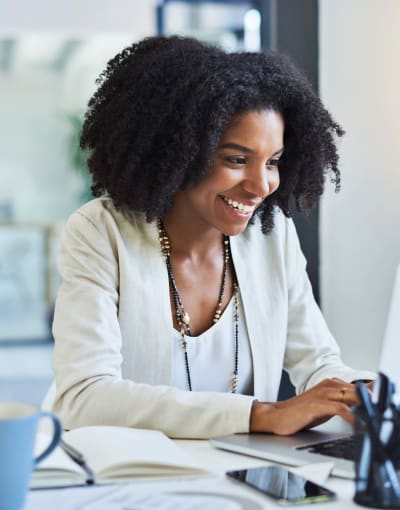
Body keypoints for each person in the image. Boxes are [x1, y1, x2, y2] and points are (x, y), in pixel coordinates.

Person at [52, 36, 374, 439]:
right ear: (179, 152)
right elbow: (85, 396)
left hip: (240, 486)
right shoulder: (101, 233)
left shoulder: (272, 240)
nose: (261, 185)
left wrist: (360, 392)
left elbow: (319, 363)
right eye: (236, 160)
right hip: (128, 485)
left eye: (273, 162)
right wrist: (261, 415)